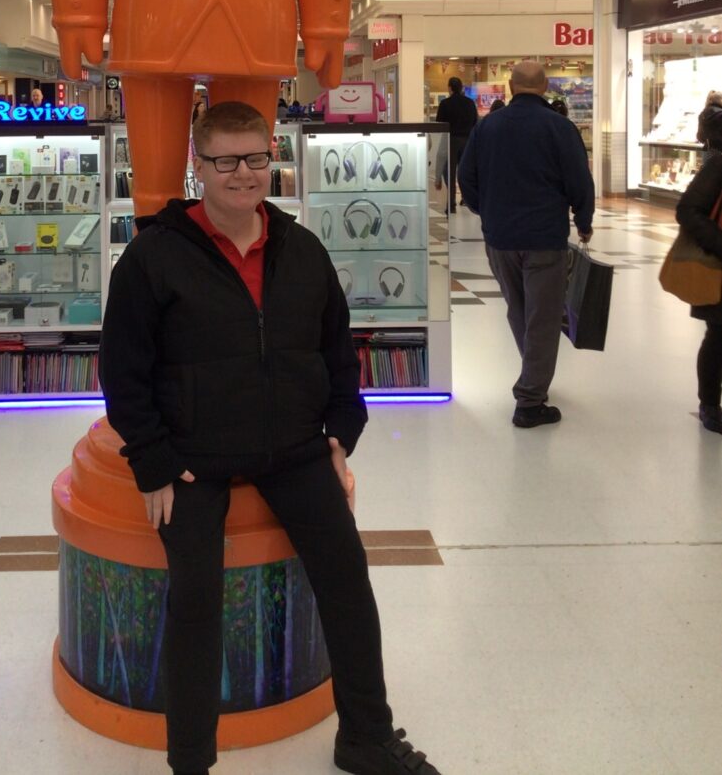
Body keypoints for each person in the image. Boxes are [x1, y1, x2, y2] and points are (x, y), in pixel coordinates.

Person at [100, 101, 441, 775]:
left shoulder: (300, 247)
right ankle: (190, 760)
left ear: (271, 159)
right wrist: (153, 461)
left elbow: (336, 349)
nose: (243, 173)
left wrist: (340, 432)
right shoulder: (153, 257)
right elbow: (123, 369)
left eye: (255, 157)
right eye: (225, 160)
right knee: (195, 597)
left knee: (346, 577)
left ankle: (366, 737)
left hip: (293, 446)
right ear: (198, 167)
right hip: (192, 458)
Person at [457, 61, 594, 428]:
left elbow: (465, 176)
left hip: (500, 238)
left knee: (519, 311)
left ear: (510, 86)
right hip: (544, 237)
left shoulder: (487, 127)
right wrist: (583, 221)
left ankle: (533, 378)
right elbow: (580, 180)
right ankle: (530, 400)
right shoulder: (560, 128)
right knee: (543, 318)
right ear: (545, 86)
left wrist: (485, 209)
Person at [675, 105, 722, 435]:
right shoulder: (718, 164)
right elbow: (688, 210)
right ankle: (710, 404)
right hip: (718, 267)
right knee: (719, 335)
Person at [434, 76, 478, 214]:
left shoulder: (445, 104)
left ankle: (451, 204)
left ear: (450, 88)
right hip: (467, 140)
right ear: (461, 88)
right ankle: (467, 199)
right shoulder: (470, 103)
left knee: (450, 173)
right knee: (465, 171)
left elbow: (439, 124)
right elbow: (475, 122)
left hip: (451, 139)